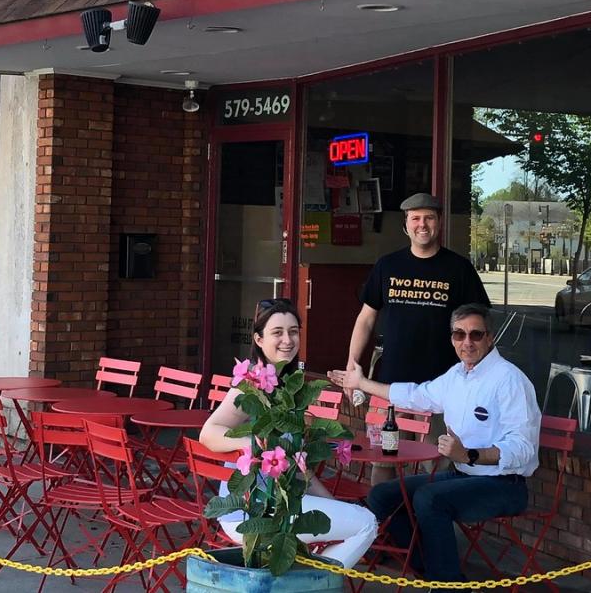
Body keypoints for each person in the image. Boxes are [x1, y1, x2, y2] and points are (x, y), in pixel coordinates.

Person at [329, 303, 540, 592]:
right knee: (383, 494)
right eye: (459, 334)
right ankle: (429, 568)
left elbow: (523, 448)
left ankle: (447, 584)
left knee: (430, 499)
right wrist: (363, 383)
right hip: (464, 476)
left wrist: (469, 455)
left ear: (490, 337)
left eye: (476, 335)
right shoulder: (456, 375)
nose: (467, 342)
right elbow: (416, 396)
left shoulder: (510, 380)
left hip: (504, 484)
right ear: (452, 338)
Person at [199, 297, 378, 569]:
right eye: (277, 332)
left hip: (284, 506)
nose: (288, 340)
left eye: (293, 331)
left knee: (360, 521)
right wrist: (254, 443)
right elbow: (208, 433)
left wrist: (336, 506)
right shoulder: (251, 384)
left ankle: (302, 583)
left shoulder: (289, 387)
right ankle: (313, 585)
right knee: (366, 524)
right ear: (258, 340)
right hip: (252, 514)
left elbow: (300, 469)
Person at [345, 192, 491, 482]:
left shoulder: (459, 269)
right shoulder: (388, 266)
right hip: (390, 385)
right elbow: (366, 318)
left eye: (428, 218)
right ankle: (383, 523)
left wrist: (479, 376)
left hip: (442, 388)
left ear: (439, 223)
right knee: (383, 461)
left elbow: (479, 327)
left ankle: (425, 526)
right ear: (405, 225)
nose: (422, 224)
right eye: (415, 218)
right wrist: (352, 363)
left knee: (435, 464)